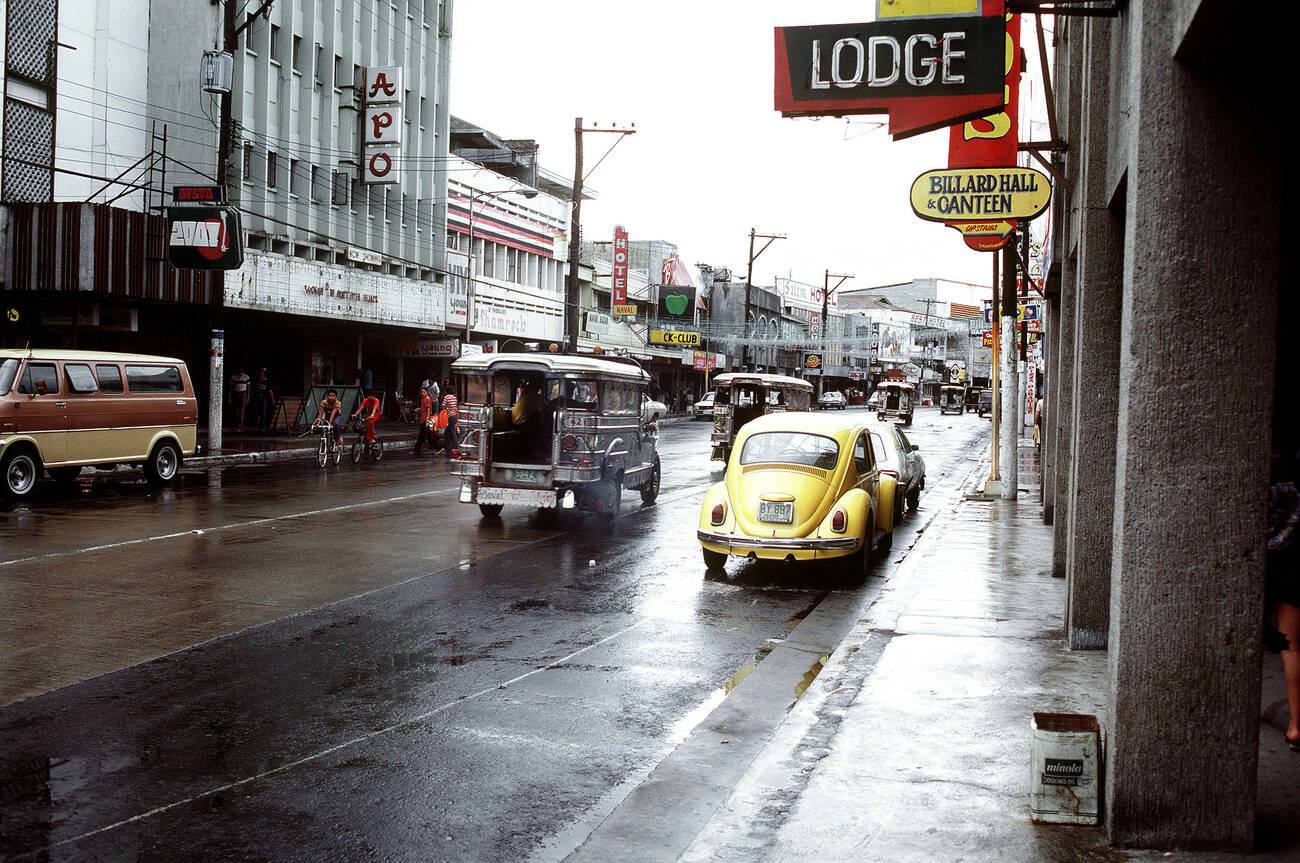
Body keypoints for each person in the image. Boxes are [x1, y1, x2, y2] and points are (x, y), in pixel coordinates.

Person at [1267, 447, 1300, 752]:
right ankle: (1296, 726)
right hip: (1293, 565)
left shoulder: (1270, 474)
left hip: (1278, 566)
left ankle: (1297, 727)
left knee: (1290, 645)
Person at [414, 381, 436, 456]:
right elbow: (424, 408)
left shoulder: (427, 398)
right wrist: (419, 409)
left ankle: (416, 449)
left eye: (424, 392)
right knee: (428, 434)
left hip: (425, 419)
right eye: (421, 392)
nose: (422, 393)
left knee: (421, 435)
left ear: (426, 392)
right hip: (423, 418)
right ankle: (433, 446)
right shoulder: (423, 399)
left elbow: (429, 408)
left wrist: (427, 418)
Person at [441, 381, 460, 456]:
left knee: (452, 432)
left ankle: (455, 447)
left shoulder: (446, 397)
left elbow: (443, 406)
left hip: (451, 416)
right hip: (455, 416)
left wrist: (446, 408)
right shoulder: (454, 397)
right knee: (447, 432)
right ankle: (448, 448)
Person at [230, 367, 251, 432]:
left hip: (243, 393)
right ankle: (236, 425)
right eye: (239, 369)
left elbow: (249, 388)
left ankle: (240, 426)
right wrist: (229, 398)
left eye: (241, 369)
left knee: (242, 411)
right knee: (236, 411)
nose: (240, 370)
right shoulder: (234, 377)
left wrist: (248, 398)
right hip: (236, 393)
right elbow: (231, 388)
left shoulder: (246, 377)